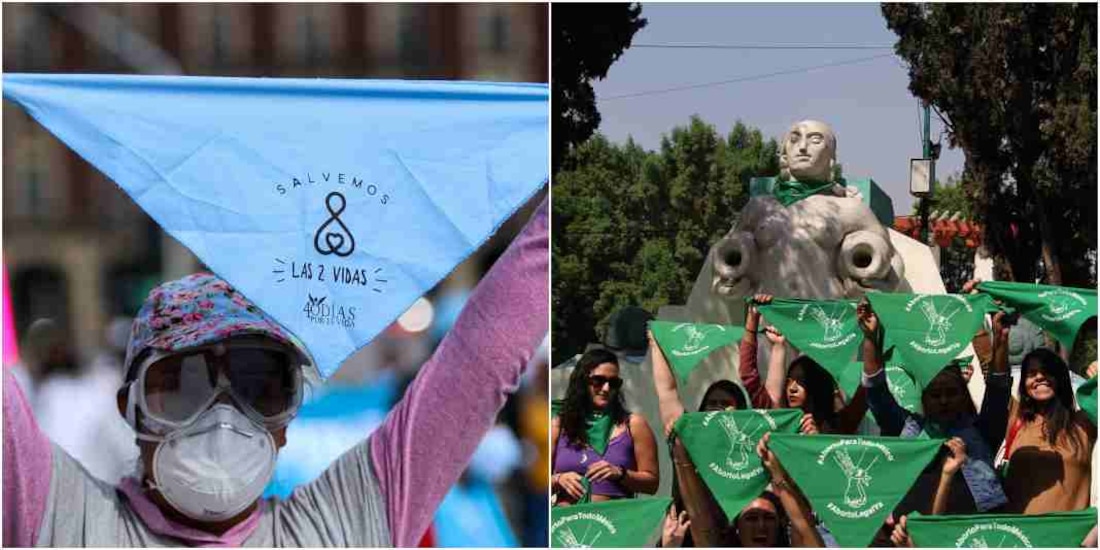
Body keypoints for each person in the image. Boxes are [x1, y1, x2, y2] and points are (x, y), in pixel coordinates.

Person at [2, 198, 547, 547]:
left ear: (286, 419)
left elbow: (481, 360)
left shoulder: (342, 525)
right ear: (132, 410)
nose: (221, 418)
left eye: (258, 387)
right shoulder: (60, 516)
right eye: (183, 386)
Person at [856, 294, 1010, 515]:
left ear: (963, 395)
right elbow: (876, 392)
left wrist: (1001, 340)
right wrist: (870, 337)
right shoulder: (907, 429)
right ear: (924, 399)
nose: (944, 400)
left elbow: (998, 391)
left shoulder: (981, 430)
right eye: (936, 395)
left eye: (951, 393)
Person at [740, 295, 868, 435]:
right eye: (789, 381)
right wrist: (752, 320)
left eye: (801, 381)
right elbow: (748, 375)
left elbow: (869, 386)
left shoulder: (840, 425)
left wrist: (817, 440)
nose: (792, 389)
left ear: (818, 386)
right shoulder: (778, 421)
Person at [551, 349, 659, 506]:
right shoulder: (559, 422)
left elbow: (652, 484)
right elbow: (536, 480)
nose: (606, 388)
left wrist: (620, 474)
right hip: (566, 525)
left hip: (614, 525)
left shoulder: (633, 424)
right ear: (582, 380)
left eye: (614, 383)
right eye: (598, 381)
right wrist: (558, 479)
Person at [1000, 347, 1095, 514]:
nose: (1039, 377)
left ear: (1061, 378)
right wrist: (1001, 337)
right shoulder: (1015, 420)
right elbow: (997, 385)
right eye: (1031, 373)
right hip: (1020, 535)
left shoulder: (1084, 423)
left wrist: (1097, 379)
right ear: (1024, 384)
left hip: (1070, 536)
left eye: (1047, 372)